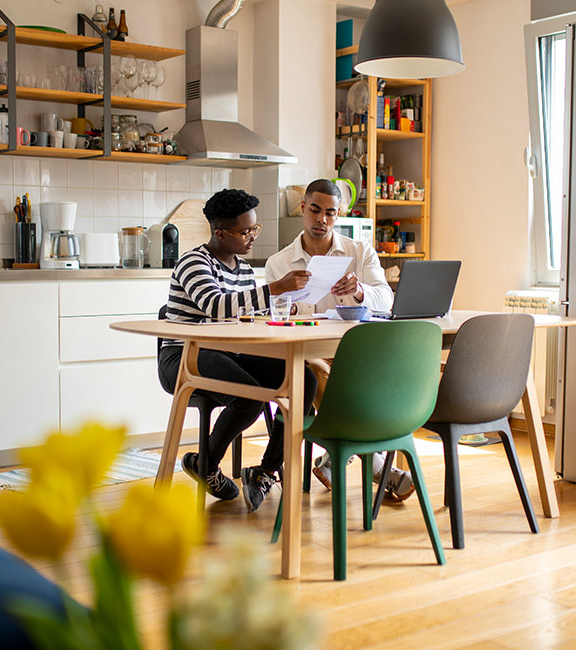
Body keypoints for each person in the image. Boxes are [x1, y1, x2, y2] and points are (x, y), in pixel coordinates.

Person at [157, 188, 317, 513]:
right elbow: (216, 307)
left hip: (229, 353)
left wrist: (290, 308)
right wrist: (275, 288)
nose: (252, 237)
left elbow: (247, 315)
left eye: (255, 229)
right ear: (220, 233)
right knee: (250, 395)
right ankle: (206, 464)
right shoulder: (192, 262)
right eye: (246, 232)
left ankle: (265, 471)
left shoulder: (242, 269)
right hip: (185, 355)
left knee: (304, 378)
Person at [265, 179, 415, 501]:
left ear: (339, 214)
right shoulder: (278, 264)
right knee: (318, 371)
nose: (322, 220)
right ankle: (376, 466)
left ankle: (337, 458)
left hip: (357, 355)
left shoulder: (359, 252)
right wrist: (287, 306)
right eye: (315, 211)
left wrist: (360, 290)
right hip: (306, 356)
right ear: (303, 208)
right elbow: (272, 318)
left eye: (330, 213)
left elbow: (386, 299)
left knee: (369, 373)